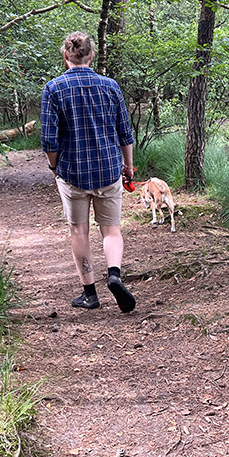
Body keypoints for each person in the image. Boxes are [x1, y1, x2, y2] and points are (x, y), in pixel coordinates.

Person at [41, 31, 136, 313]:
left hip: (73, 173)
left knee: (79, 231)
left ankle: (89, 293)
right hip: (108, 170)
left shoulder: (54, 89)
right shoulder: (110, 86)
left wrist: (55, 167)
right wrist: (127, 166)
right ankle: (115, 275)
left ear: (66, 56)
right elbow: (125, 133)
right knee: (111, 231)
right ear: (91, 56)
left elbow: (49, 139)